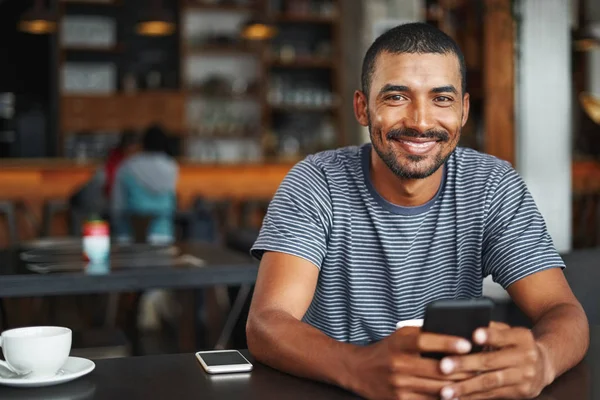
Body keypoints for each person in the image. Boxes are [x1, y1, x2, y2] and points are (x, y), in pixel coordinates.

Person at [246, 23, 589, 400]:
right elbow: (268, 322)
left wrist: (542, 361)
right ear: (363, 107)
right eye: (396, 97)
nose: (421, 122)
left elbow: (562, 311)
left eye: (442, 99)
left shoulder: (491, 184)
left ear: (463, 110)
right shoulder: (316, 182)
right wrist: (358, 367)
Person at [111, 124, 178, 244]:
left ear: (143, 143)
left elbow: (117, 204)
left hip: (130, 235)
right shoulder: (172, 167)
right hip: (163, 234)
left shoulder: (128, 166)